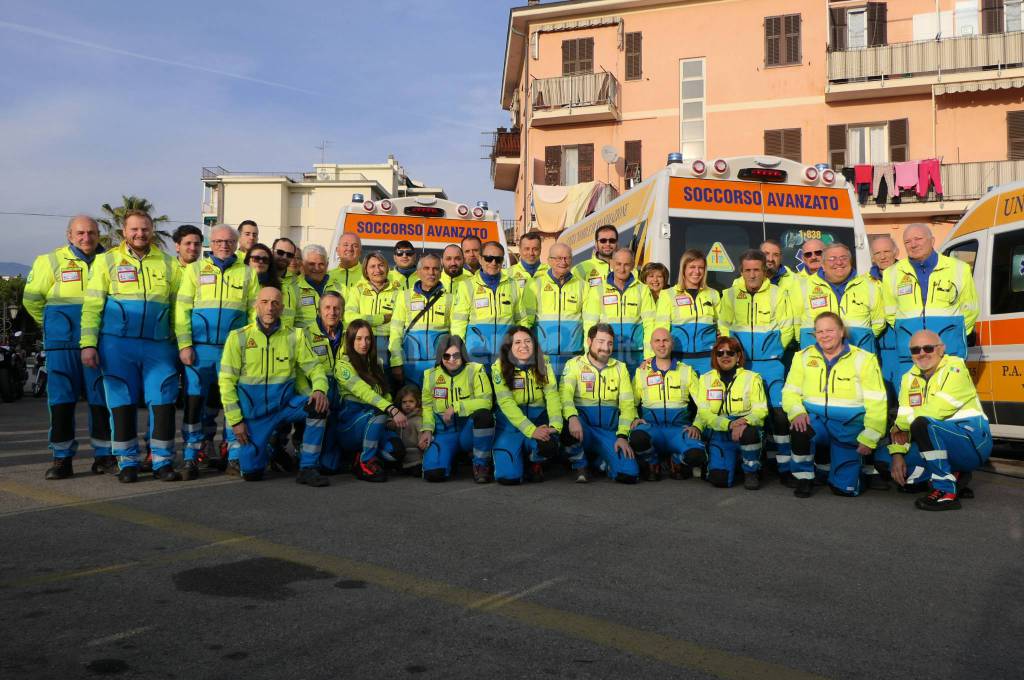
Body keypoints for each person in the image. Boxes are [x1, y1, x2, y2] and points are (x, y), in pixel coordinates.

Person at [80, 210, 181, 482]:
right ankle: (127, 463)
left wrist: (181, 344)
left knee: (163, 402)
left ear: (152, 231)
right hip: (117, 346)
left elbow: (179, 310)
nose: (140, 234)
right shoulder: (106, 261)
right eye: (134, 229)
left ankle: (162, 462)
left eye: (145, 229)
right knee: (121, 404)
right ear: (124, 232)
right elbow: (91, 307)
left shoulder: (169, 264)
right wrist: (88, 344)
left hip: (158, 346)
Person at [23, 215, 113, 479]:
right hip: (62, 346)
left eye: (92, 233)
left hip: (99, 343)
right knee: (61, 402)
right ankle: (62, 458)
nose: (87, 238)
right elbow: (32, 300)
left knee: (101, 400)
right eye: (81, 233)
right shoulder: (49, 261)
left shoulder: (109, 261)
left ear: (99, 235)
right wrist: (55, 325)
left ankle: (104, 455)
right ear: (69, 235)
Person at [174, 224, 259, 480]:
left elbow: (253, 313)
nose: (224, 245)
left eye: (229, 241)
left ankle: (233, 455)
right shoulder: (195, 270)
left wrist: (248, 347)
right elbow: (182, 311)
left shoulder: (247, 273)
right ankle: (191, 455)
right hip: (200, 351)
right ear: (211, 243)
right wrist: (185, 344)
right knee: (194, 404)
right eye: (219, 241)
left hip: (232, 351)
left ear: (236, 244)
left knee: (232, 403)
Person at [218, 286, 329, 482]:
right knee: (252, 474)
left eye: (275, 303)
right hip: (255, 415)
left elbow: (316, 369)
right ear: (256, 305)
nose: (270, 307)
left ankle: (308, 467)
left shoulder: (295, 336)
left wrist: (320, 389)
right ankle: (269, 446)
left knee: (318, 408)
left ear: (282, 308)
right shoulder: (238, 337)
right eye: (265, 302)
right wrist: (236, 422)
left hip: (285, 407)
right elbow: (226, 384)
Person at [783, 313, 887, 499]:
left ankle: (855, 469)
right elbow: (790, 392)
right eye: (819, 331)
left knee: (844, 490)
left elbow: (877, 401)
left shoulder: (864, 359)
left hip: (847, 428)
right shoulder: (802, 357)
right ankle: (804, 477)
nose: (824, 335)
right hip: (816, 421)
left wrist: (870, 436)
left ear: (841, 332)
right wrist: (797, 412)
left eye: (829, 330)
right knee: (799, 429)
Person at [888, 330, 992, 511]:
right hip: (936, 436)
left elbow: (935, 411)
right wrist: (897, 454)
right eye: (915, 350)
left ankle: (946, 492)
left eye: (928, 348)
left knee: (923, 424)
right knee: (895, 469)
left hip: (972, 440)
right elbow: (903, 417)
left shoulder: (956, 368)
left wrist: (900, 427)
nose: (922, 353)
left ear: (941, 349)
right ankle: (956, 474)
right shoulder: (908, 378)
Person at [718, 250, 795, 482]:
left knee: (780, 415)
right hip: (743, 367)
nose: (752, 274)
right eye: (748, 270)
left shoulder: (778, 294)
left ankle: (785, 467)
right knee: (749, 415)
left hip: (771, 365)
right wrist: (736, 358)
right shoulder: (730, 295)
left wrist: (771, 352)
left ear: (765, 270)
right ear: (741, 271)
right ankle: (754, 465)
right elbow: (724, 327)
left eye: (757, 270)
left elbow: (787, 328)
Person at [881, 223, 978, 380]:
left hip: (948, 351)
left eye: (918, 239)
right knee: (912, 402)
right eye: (907, 241)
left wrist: (951, 334)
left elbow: (970, 309)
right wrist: (909, 332)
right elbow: (891, 313)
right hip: (911, 354)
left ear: (932, 241)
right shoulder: (891, 273)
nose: (913, 244)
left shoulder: (959, 268)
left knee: (950, 399)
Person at [329, 320, 408, 482]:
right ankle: (366, 461)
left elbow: (384, 393)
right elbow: (365, 393)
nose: (364, 343)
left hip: (374, 420)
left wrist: (390, 416)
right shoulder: (343, 366)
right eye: (358, 339)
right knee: (378, 413)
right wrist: (391, 410)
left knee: (396, 452)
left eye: (367, 338)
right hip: (349, 424)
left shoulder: (375, 364)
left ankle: (358, 455)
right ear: (350, 340)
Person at [561, 323, 638, 484]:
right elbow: (565, 396)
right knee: (567, 425)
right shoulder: (573, 365)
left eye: (610, 343)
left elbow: (627, 405)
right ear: (589, 342)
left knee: (629, 474)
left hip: (609, 433)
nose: (606, 347)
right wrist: (572, 417)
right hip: (583, 430)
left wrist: (623, 435)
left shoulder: (620, 368)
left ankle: (599, 463)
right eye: (601, 342)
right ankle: (580, 465)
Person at [629, 328, 704, 482]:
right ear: (651, 344)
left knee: (697, 455)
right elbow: (630, 403)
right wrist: (634, 418)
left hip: (678, 431)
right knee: (637, 437)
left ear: (672, 343)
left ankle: (676, 460)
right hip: (652, 429)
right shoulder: (641, 372)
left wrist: (697, 426)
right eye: (657, 341)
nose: (661, 345)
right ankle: (653, 462)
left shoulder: (687, 371)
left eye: (666, 340)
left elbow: (704, 405)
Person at [418, 335, 496, 482]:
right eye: (446, 356)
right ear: (440, 356)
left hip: (468, 433)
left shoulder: (476, 371)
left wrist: (457, 407)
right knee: (434, 474)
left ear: (463, 355)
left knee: (484, 416)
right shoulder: (431, 376)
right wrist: (427, 430)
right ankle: (450, 459)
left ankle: (481, 465)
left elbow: (487, 402)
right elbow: (427, 406)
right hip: (445, 434)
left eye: (456, 355)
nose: (452, 359)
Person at [491, 326, 562, 484]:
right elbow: (506, 403)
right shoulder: (498, 368)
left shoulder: (544, 362)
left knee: (549, 445)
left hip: (538, 419)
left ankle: (534, 460)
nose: (523, 346)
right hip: (510, 425)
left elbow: (552, 396)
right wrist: (531, 430)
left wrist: (555, 426)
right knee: (509, 478)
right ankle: (517, 456)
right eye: (517, 342)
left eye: (527, 341)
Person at [694, 336, 767, 489]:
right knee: (720, 480)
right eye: (720, 353)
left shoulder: (752, 378)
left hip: (744, 430)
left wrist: (743, 422)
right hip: (721, 432)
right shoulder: (705, 379)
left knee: (750, 433)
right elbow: (704, 413)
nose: (725, 356)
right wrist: (729, 424)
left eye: (730, 352)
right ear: (715, 356)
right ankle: (733, 463)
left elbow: (761, 410)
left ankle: (751, 471)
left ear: (738, 356)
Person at [792, 243, 884, 352]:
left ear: (850, 261)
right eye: (832, 259)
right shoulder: (804, 287)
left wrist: (859, 336)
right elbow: (796, 324)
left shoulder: (870, 286)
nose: (839, 262)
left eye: (843, 258)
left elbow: (878, 324)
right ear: (823, 264)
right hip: (816, 356)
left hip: (859, 355)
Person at [582, 248, 655, 373]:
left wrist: (649, 355)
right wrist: (590, 352)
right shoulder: (597, 290)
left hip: (636, 355)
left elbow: (650, 324)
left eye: (626, 265)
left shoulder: (642, 290)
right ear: (612, 264)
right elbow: (589, 325)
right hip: (606, 354)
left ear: (632, 266)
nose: (622, 269)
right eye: (618, 264)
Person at [451, 240, 522, 368]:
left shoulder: (513, 285)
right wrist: (457, 350)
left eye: (498, 259)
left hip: (506, 356)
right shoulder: (467, 286)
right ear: (481, 259)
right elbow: (458, 323)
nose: (493, 263)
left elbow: (521, 320)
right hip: (475, 355)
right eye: (489, 258)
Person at [520, 243, 585, 376]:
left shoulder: (583, 286)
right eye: (558, 258)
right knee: (546, 394)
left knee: (571, 394)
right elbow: (525, 322)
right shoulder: (534, 285)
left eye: (567, 258)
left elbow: (590, 323)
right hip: (544, 354)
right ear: (549, 260)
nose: (563, 262)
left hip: (574, 354)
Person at [389, 254, 452, 389]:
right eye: (426, 268)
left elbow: (456, 333)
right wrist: (396, 363)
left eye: (436, 269)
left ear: (441, 273)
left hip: (440, 366)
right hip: (410, 367)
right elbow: (395, 332)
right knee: (412, 405)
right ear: (418, 272)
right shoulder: (404, 296)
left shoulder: (450, 298)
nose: (431, 272)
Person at [655, 249, 720, 376]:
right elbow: (660, 329)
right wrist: (653, 356)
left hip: (708, 360)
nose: (696, 271)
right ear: (683, 269)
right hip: (679, 359)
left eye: (701, 267)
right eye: (692, 267)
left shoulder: (713, 294)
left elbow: (723, 326)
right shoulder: (668, 295)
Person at [346, 252, 400, 366]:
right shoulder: (357, 290)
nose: (377, 270)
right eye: (372, 266)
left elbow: (398, 324)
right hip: (361, 341)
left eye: (381, 265)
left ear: (387, 268)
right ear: (366, 271)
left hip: (386, 342)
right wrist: (379, 319)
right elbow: (349, 317)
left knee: (382, 377)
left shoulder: (398, 293)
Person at [868, 235, 901, 392]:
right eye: (877, 253)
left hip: (904, 345)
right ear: (873, 257)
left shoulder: (908, 275)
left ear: (896, 252)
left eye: (887, 251)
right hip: (877, 346)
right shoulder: (865, 281)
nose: (883, 256)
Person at [296, 244, 343, 329]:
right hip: (305, 340)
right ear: (302, 264)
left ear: (327, 265)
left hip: (334, 340)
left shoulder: (339, 287)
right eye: (312, 264)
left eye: (321, 264)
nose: (317, 268)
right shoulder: (293, 287)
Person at [389, 385, 424, 476]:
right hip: (402, 457)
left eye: (411, 401)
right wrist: (391, 423)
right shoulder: (399, 418)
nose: (407, 405)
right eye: (404, 402)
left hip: (417, 458)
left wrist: (422, 442)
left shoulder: (418, 419)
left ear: (418, 402)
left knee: (416, 472)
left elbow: (422, 436)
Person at [572, 224, 618, 290]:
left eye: (612, 241)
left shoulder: (628, 268)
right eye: (603, 241)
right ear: (596, 244)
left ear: (617, 243)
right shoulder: (580, 269)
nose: (608, 244)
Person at [271, 237, 301, 327]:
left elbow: (300, 317)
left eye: (289, 255)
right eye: (280, 252)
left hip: (286, 338)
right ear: (272, 252)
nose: (284, 257)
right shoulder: (260, 276)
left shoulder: (297, 282)